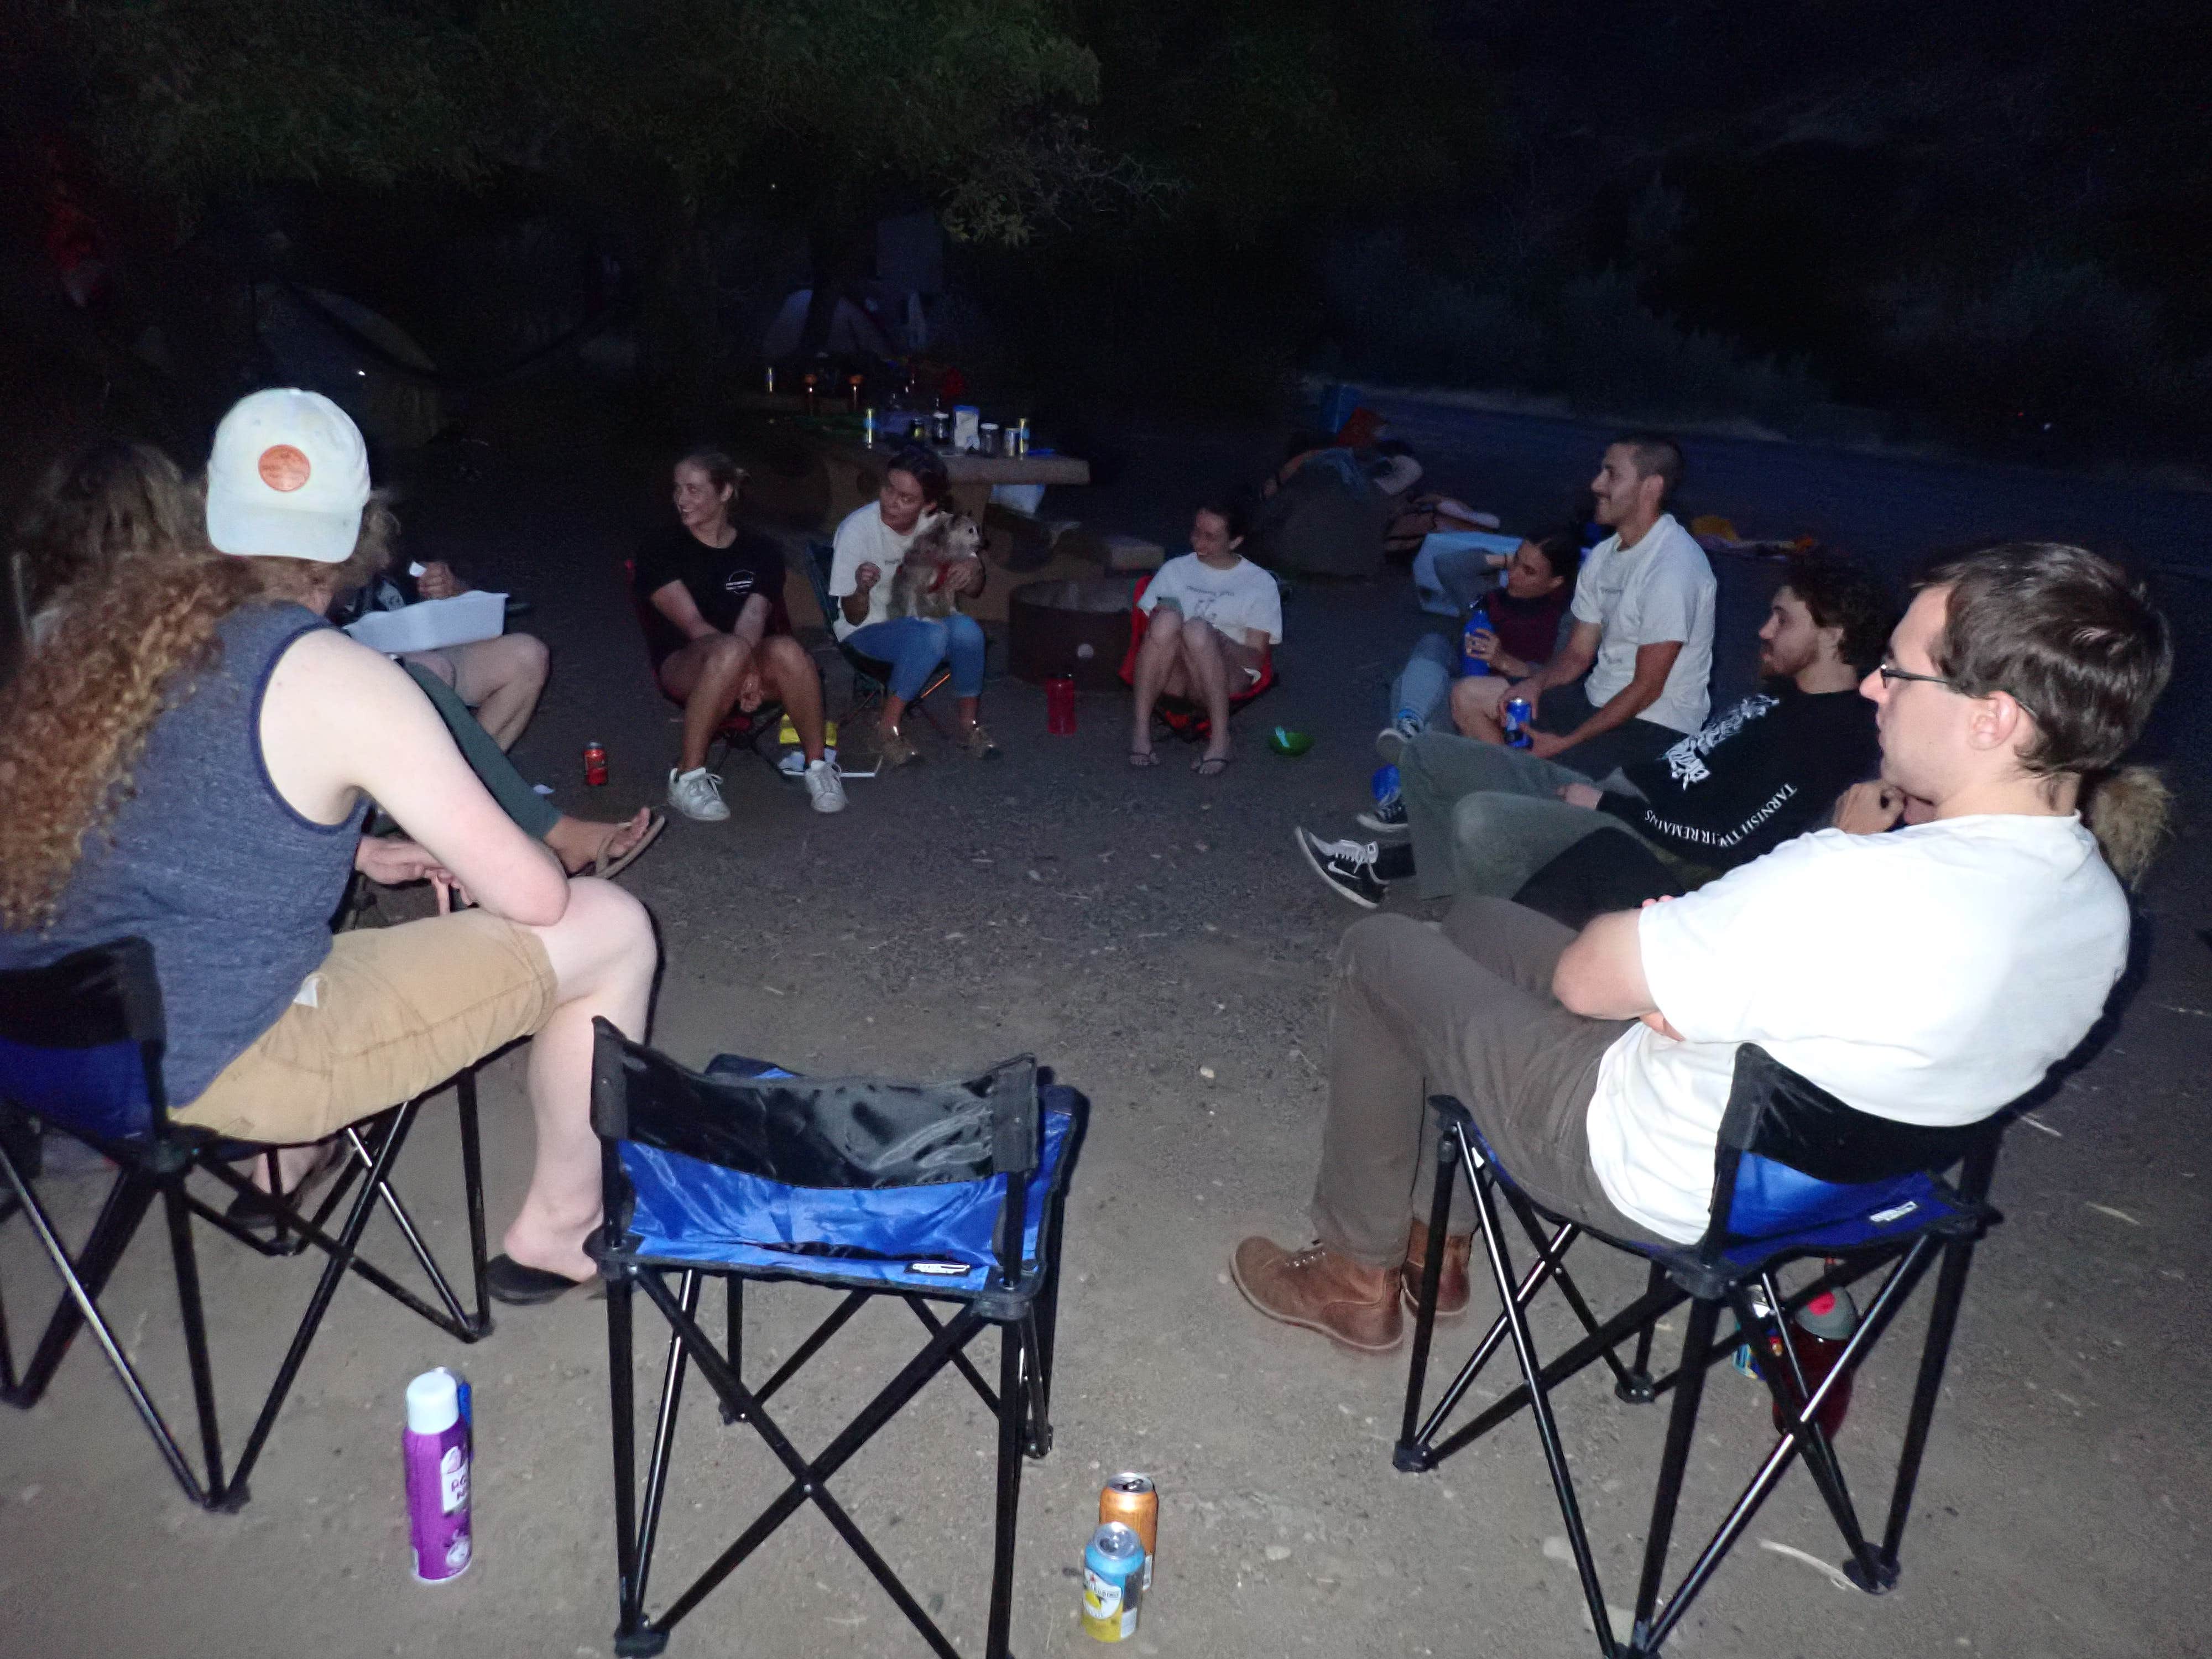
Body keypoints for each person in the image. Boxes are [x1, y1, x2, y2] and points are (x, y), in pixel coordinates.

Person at [1235, 540, 2169, 1353]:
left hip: (1641, 1155)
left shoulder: (1850, 876)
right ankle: (1434, 1243)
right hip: (1823, 1180)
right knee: (1469, 925)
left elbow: (1586, 977)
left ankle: (1354, 1278)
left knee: (1380, 950)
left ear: (1993, 718)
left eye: (1901, 673)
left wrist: (1663, 978)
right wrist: (1689, 997)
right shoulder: (2099, 914)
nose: (1874, 689)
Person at [0, 389, 661, 1304]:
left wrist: (361, 854)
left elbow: (145, 823)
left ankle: (279, 1170)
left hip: (44, 1048)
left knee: (280, 951)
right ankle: (561, 1233)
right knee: (609, 925)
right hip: (208, 1064)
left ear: (208, 514)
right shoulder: (339, 676)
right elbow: (538, 898)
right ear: (362, 533)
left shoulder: (107, 641)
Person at [17, 436, 660, 878]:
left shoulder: (110, 610)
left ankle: (474, 817)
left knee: (476, 665)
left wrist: (447, 592)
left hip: (328, 691)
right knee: (413, 685)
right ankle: (534, 831)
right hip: (262, 764)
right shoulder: (161, 611)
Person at [1300, 549, 1890, 907]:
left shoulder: (1833, 735)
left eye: (1782, 620)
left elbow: (1729, 841)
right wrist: (1607, 791)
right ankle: (1416, 885)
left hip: (1656, 842)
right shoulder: (1785, 692)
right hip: (1625, 794)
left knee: (1480, 819)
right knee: (1430, 755)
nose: (1763, 630)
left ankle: (1486, 932)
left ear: (1834, 635)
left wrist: (1608, 805)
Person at [1453, 435, 1715, 773]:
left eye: (1612, 474)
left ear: (1651, 488)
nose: (1596, 484)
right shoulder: (1604, 555)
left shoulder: (1673, 566)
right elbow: (1577, 655)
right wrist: (1535, 683)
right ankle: (1519, 782)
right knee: (1469, 696)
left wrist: (1565, 742)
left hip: (1653, 729)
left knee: (1540, 757)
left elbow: (1647, 688)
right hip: (1596, 702)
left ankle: (1529, 783)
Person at [636, 448, 844, 821]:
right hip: (685, 663)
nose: (681, 499)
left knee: (788, 650)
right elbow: (693, 626)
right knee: (729, 651)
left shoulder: (760, 550)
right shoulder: (660, 548)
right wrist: (744, 668)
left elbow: (755, 616)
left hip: (744, 655)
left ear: (725, 492)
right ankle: (687, 777)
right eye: (677, 489)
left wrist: (747, 668)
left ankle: (818, 767)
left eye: (694, 490)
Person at [828, 444, 994, 766]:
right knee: (930, 634)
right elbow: (853, 616)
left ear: (928, 506)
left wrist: (973, 568)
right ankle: (886, 728)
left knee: (968, 631)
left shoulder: (944, 526)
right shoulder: (857, 530)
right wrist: (861, 589)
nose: (891, 502)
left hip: (924, 619)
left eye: (906, 498)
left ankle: (968, 725)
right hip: (867, 630)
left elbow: (975, 591)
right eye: (889, 489)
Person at [1375, 528, 1581, 773]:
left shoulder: (1567, 619)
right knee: (1432, 645)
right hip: (1467, 681)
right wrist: (1505, 559)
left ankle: (1412, 755)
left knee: (1418, 688)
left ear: (1555, 582)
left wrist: (1504, 661)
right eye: (1515, 562)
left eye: (1529, 571)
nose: (1514, 574)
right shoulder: (1489, 598)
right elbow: (1446, 566)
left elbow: (1562, 676)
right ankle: (1409, 728)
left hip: (1515, 704)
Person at [1128, 499, 1282, 776]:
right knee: (1168, 621)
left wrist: (1222, 642)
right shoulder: (1175, 570)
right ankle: (1140, 733)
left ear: (1235, 541)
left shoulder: (1259, 583)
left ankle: (1221, 741)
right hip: (1174, 674)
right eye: (1196, 532)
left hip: (1228, 673)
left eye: (1211, 537)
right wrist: (1165, 620)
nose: (1199, 542)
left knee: (1198, 630)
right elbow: (1151, 638)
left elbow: (1256, 660)